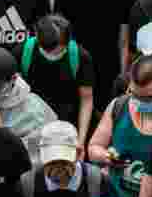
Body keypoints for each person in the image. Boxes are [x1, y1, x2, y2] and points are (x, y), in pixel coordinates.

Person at [53, 0, 136, 111]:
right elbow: (62, 39)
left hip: (110, 70)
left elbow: (124, 40)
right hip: (77, 69)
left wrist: (122, 76)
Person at [87, 55, 152, 197]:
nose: (140, 102)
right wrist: (107, 156)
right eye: (135, 95)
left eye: (148, 97)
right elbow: (93, 148)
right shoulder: (119, 106)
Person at [13, 14, 95, 148]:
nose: (51, 54)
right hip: (32, 127)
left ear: (67, 42)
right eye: (45, 50)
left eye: (57, 50)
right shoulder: (22, 52)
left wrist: (81, 141)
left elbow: (86, 99)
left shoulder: (80, 57)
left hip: (66, 127)